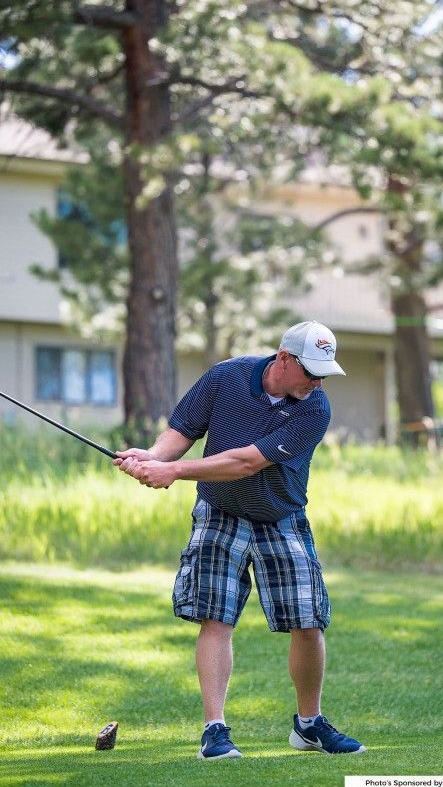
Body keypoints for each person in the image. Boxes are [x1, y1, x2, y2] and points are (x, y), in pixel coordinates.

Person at [114, 320, 365, 759]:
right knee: (217, 617)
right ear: (283, 359)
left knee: (308, 619)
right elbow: (184, 430)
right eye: (310, 370)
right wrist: (153, 457)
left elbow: (245, 462)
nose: (317, 381)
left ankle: (309, 725)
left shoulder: (314, 409)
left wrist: (172, 471)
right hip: (219, 512)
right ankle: (215, 731)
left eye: (324, 372)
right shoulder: (225, 377)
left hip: (280, 516)